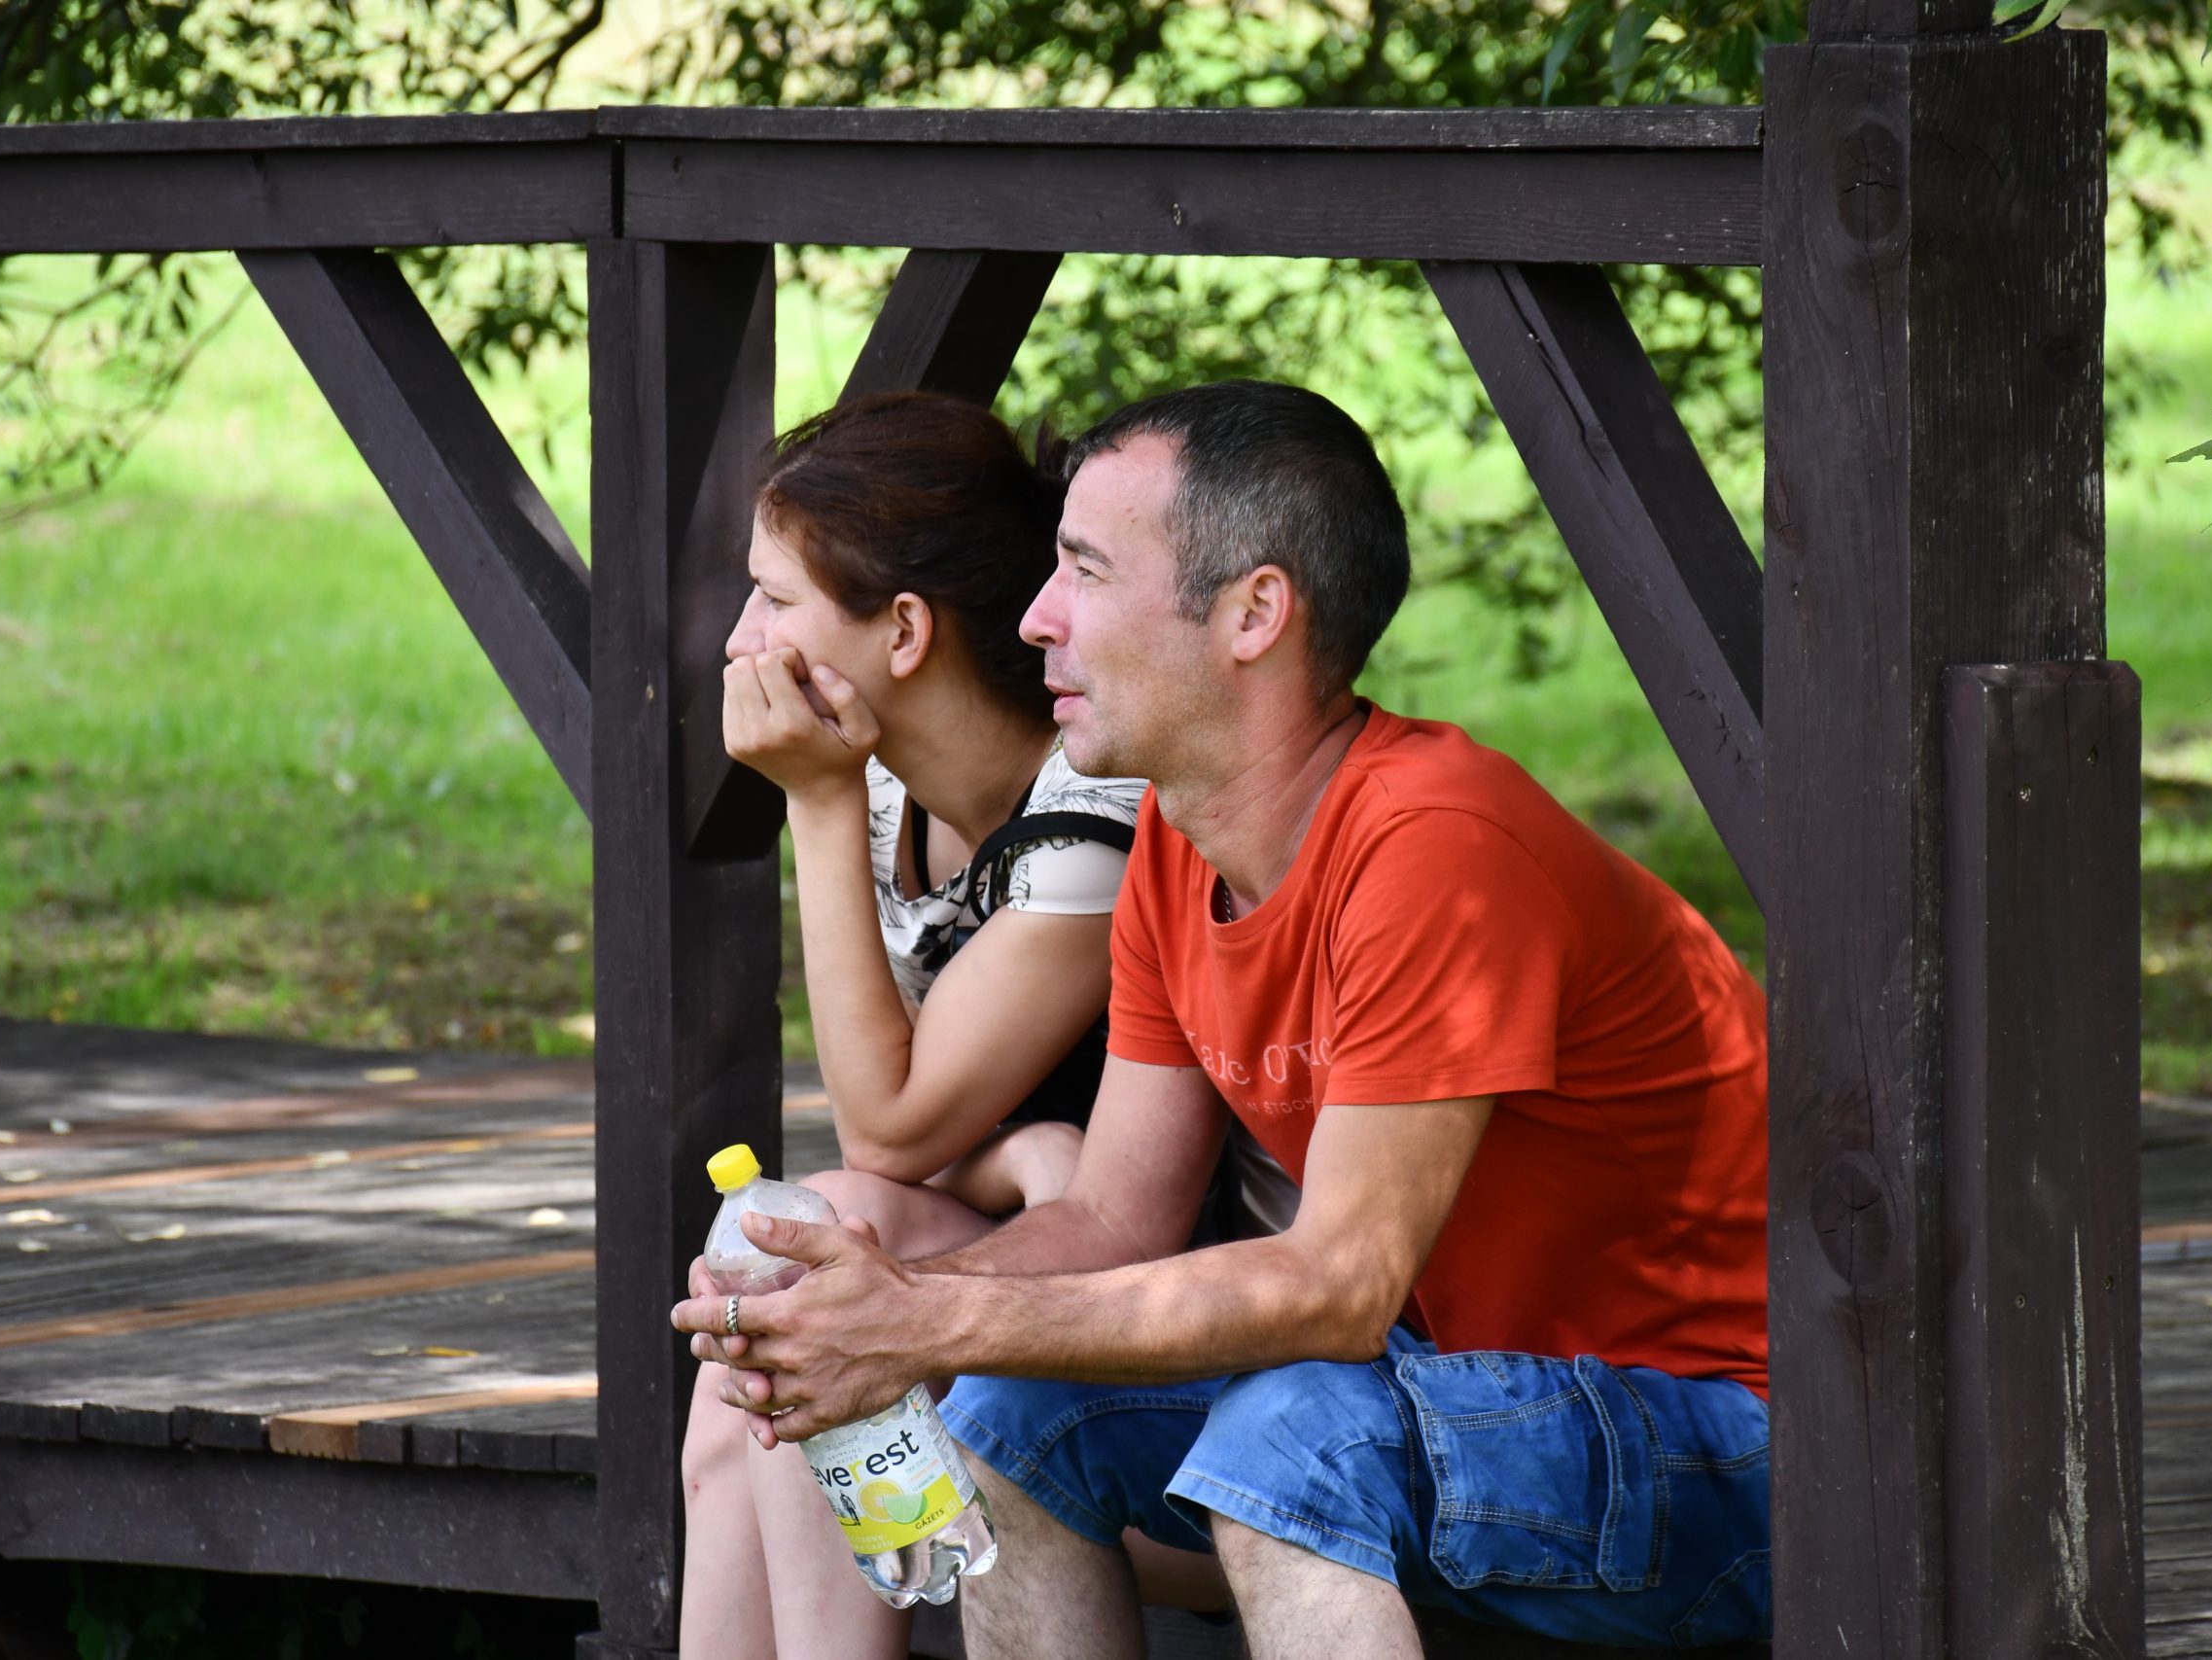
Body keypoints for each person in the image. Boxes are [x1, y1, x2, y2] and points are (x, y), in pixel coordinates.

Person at [675, 380, 1773, 1658]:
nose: (1034, 617)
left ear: (1255, 614)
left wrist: (923, 1320)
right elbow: (1112, 1222)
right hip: (1471, 1407)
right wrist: (865, 1307)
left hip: (1735, 1440)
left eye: (1086, 570)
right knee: (1008, 1421)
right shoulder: (1178, 844)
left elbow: (1340, 1287)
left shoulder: (1435, 845)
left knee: (1298, 1440)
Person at [679, 392, 1152, 1660]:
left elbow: (885, 1134)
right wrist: (1008, 1159)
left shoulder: (1092, 825)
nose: (739, 642)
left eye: (774, 600)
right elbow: (925, 1139)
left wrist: (817, 805)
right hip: (1002, 1230)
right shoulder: (892, 782)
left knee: (814, 1265)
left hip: (1160, 1307)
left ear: (903, 629)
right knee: (750, 1351)